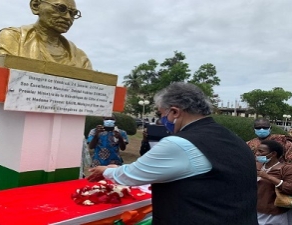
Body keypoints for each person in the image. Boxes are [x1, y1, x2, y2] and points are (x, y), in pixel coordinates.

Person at [88, 82, 258, 225]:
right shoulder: (232, 137)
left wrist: (106, 171)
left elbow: (130, 176)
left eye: (162, 114)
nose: (162, 120)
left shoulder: (180, 143)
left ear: (175, 112)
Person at [0, 0, 92, 70]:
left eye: (73, 13)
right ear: (35, 6)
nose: (68, 17)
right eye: (61, 8)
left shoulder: (80, 58)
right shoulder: (13, 39)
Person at [255, 140, 292, 225]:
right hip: (256, 211)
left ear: (273, 154)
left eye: (261, 151)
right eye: (257, 151)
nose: (257, 154)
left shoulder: (287, 169)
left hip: (276, 214)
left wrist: (268, 177)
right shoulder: (257, 166)